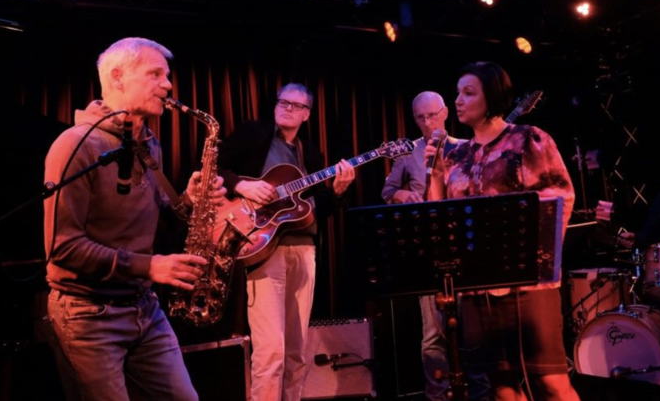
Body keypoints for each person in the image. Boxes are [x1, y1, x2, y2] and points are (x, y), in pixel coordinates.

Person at [43, 37, 226, 401]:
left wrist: (190, 200)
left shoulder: (148, 142)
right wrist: (150, 266)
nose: (168, 85)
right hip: (88, 313)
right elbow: (63, 248)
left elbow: (161, 219)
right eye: (155, 74)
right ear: (118, 77)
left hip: (143, 305)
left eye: (167, 76)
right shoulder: (76, 145)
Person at [430, 62, 579, 401]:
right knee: (501, 385)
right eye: (457, 93)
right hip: (477, 286)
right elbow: (440, 216)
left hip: (528, 284)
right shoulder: (458, 155)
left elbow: (559, 199)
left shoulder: (526, 139)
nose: (458, 100)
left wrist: (535, 257)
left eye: (469, 93)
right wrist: (436, 174)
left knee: (551, 382)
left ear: (492, 96)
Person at [218, 83, 355, 401]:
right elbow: (214, 167)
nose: (287, 108)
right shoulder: (253, 135)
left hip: (304, 249)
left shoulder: (312, 155)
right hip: (265, 250)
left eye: (296, 105)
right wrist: (242, 186)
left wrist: (337, 192)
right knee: (270, 351)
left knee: (297, 350)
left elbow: (318, 209)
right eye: (283, 102)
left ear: (307, 114)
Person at [382, 91, 489, 400]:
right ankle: (437, 395)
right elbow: (388, 191)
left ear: (445, 113)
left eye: (432, 115)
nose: (427, 123)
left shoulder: (467, 147)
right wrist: (404, 195)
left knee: (473, 330)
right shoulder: (409, 152)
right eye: (421, 118)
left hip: (465, 248)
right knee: (433, 333)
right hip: (428, 249)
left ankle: (480, 393)